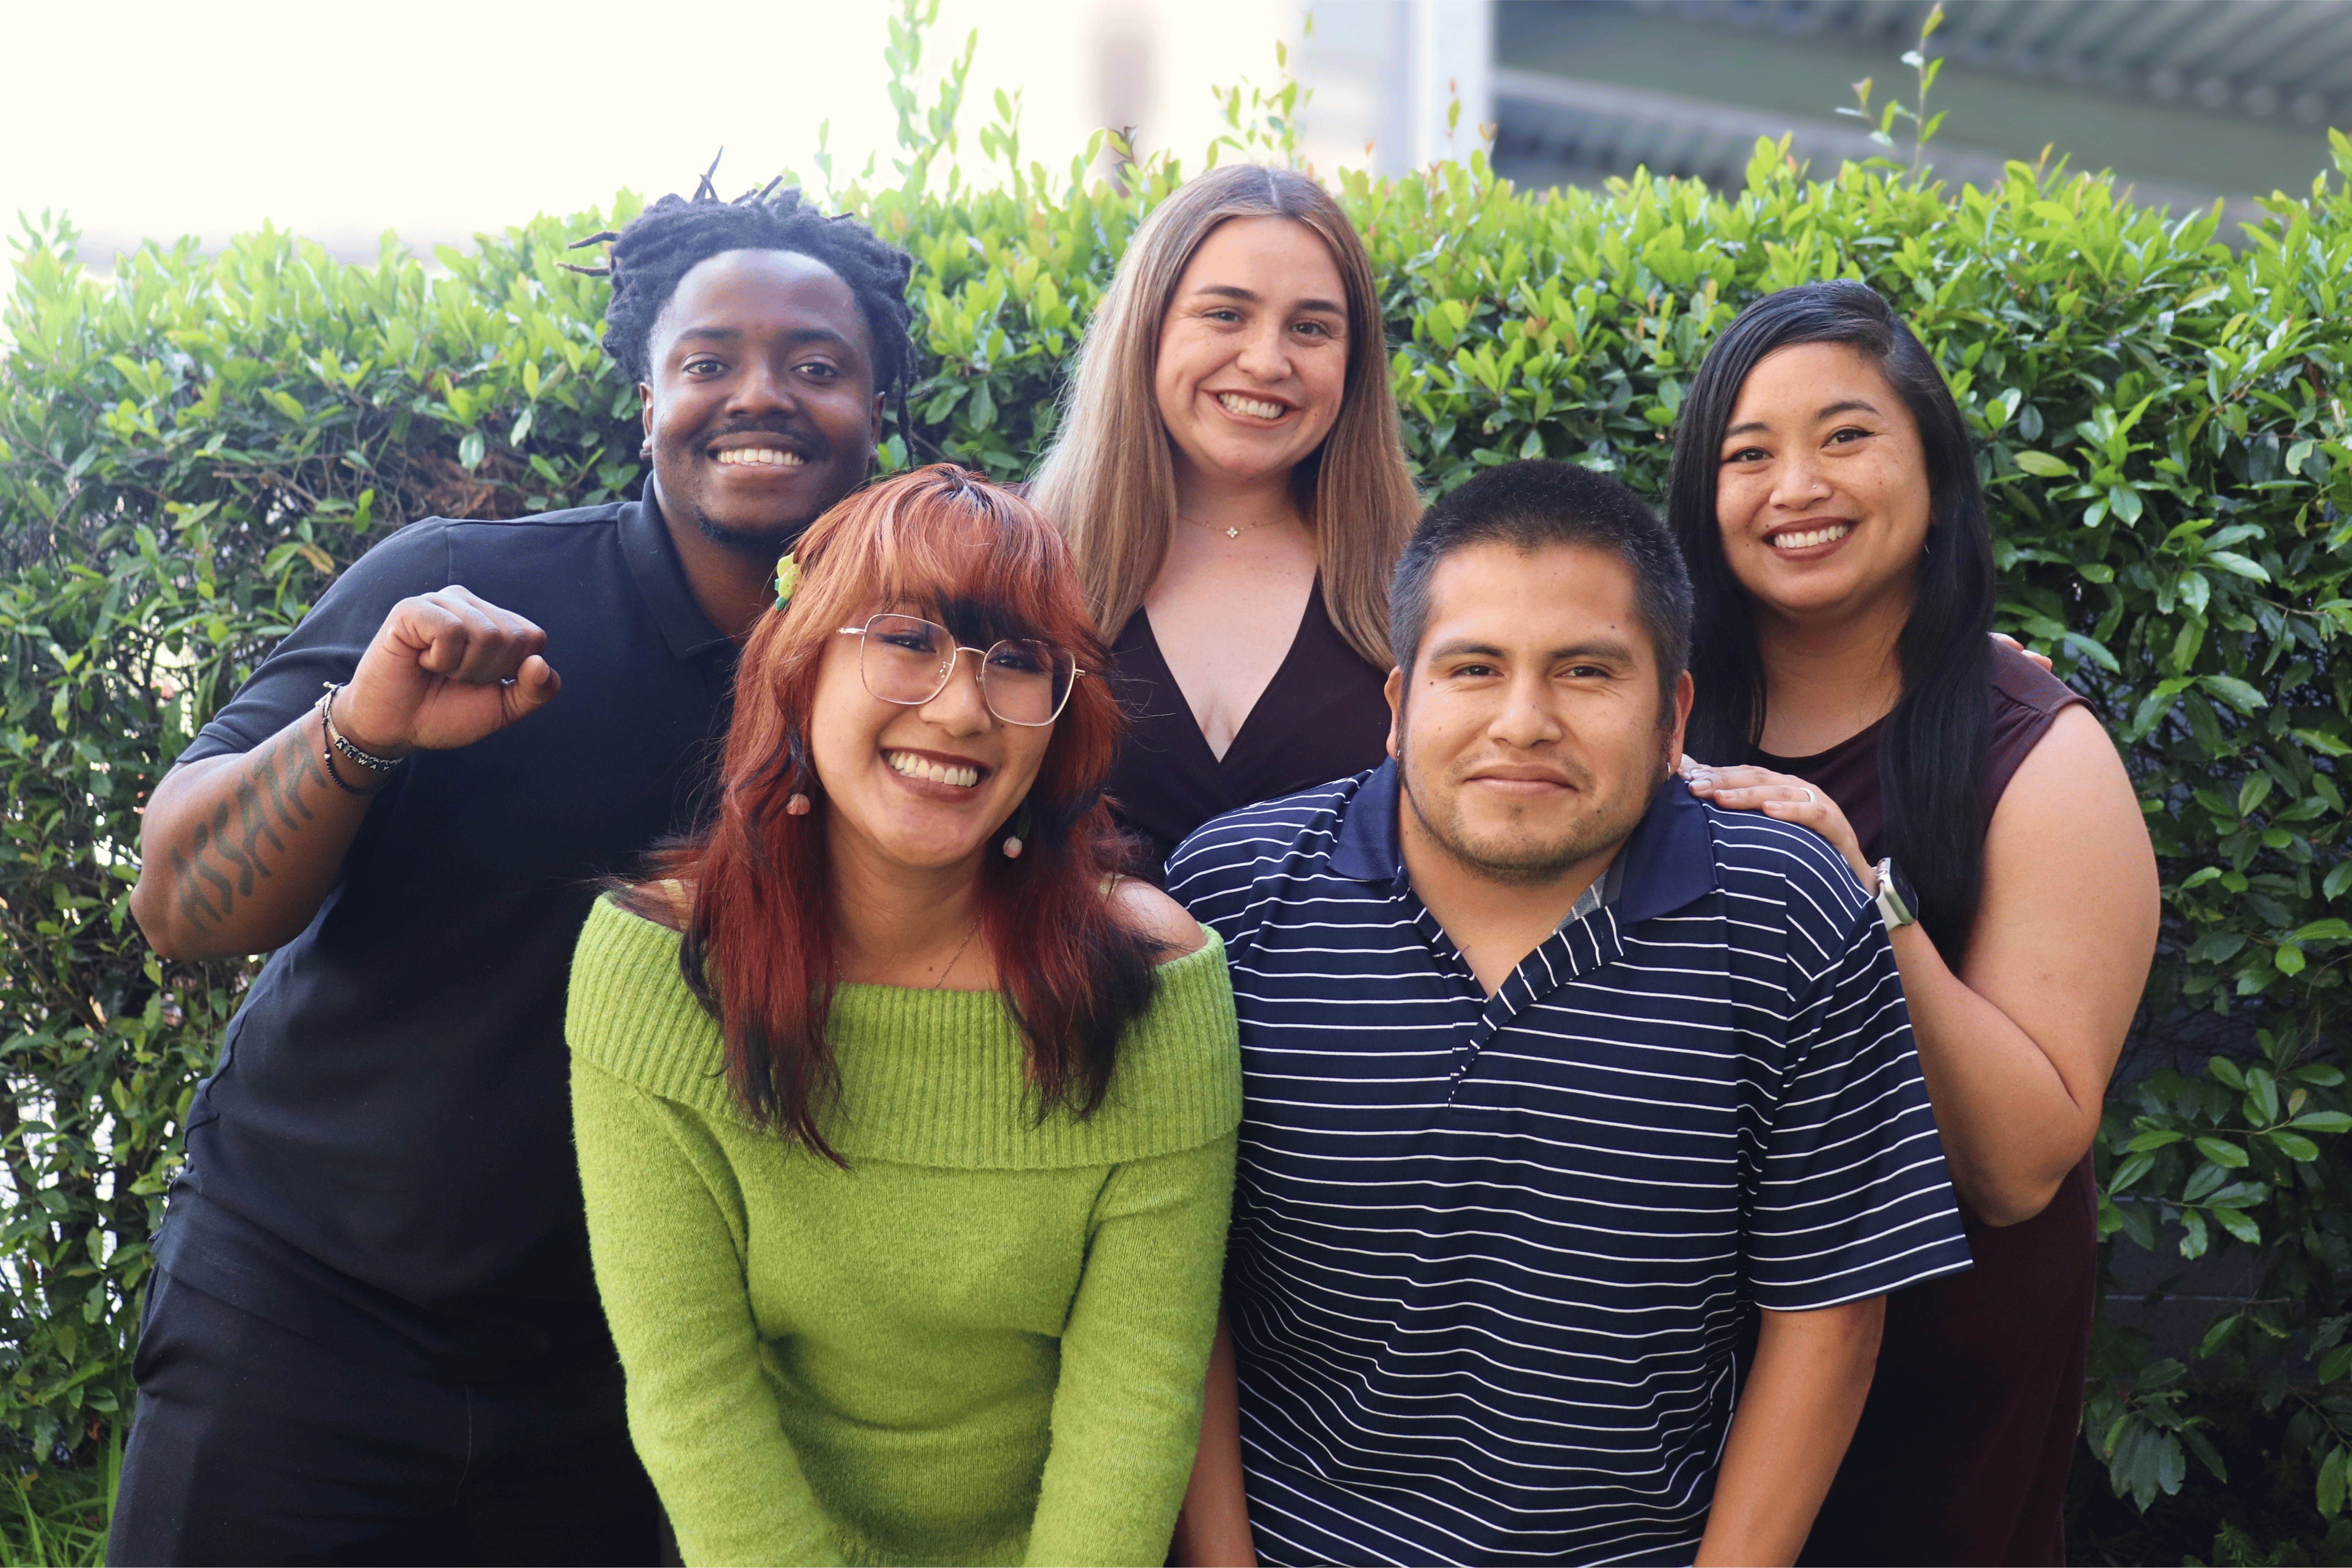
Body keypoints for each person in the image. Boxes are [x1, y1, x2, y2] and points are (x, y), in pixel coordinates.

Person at [115, 182, 914, 1564]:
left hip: (629, 1388)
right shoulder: (456, 597)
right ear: (646, 398)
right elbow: (181, 905)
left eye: (815, 365)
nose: (760, 395)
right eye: (709, 360)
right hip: (306, 1320)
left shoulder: (897, 691)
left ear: (875, 417)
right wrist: (360, 732)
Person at [1165, 459, 1975, 1567]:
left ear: (1670, 712)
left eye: (1586, 671)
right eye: (1474, 668)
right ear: (1400, 705)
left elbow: (1828, 1314)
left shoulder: (1787, 914)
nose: (1523, 721)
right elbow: (1175, 1287)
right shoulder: (1233, 900)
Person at [565, 465, 1240, 1566]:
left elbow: (1138, 1392)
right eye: (908, 640)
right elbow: (693, 1395)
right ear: (800, 665)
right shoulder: (660, 968)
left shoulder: (1151, 980)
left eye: (1018, 662)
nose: (964, 709)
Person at [1669, 280, 2160, 1567]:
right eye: (1748, 454)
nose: (1796, 487)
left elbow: (2020, 1159)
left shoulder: (2036, 752)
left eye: (1845, 437)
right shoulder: (1650, 717)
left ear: (1933, 476)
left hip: (1940, 1379)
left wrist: (1856, 885)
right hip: (1664, 1375)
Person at [1028, 164, 1420, 878]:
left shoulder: (1432, 584)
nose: (1267, 361)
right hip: (1067, 991)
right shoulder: (1016, 561)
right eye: (1225, 314)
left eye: (1310, 328)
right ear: (1146, 328)